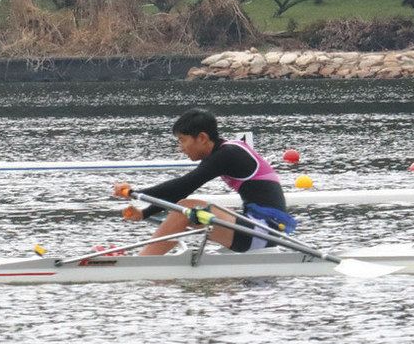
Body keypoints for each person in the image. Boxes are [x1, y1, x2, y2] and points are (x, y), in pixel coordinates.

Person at [112, 108, 295, 255]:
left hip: (262, 231)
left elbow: (183, 185)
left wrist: (134, 192)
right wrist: (145, 213)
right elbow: (180, 191)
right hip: (259, 230)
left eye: (182, 141)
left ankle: (144, 263)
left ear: (202, 138)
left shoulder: (228, 154)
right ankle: (147, 260)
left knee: (186, 209)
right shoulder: (223, 152)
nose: (180, 148)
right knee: (185, 207)